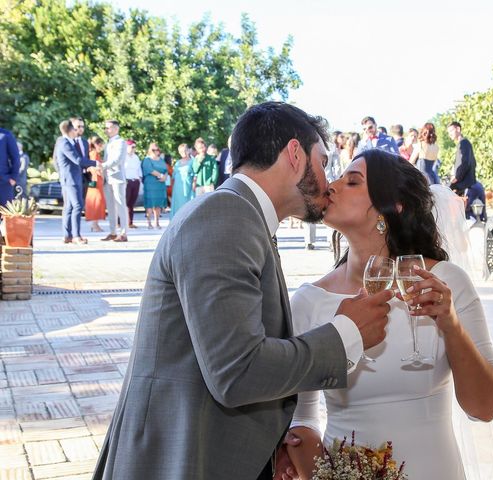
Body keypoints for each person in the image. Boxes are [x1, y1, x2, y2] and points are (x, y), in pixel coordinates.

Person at [91, 101, 392, 480]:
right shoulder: (226, 217)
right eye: (322, 160)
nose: (327, 178)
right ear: (295, 154)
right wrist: (346, 333)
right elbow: (237, 371)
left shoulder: (242, 216)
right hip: (181, 460)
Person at [283, 149, 493, 480]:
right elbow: (301, 420)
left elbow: (485, 408)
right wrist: (333, 473)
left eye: (352, 181)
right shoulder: (310, 301)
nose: (332, 185)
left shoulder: (446, 282)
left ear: (393, 206)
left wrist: (451, 325)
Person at [54, 120, 97, 244]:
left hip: (76, 177)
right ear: (70, 130)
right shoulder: (64, 142)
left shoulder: (69, 142)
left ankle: (67, 235)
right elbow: (77, 160)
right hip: (70, 178)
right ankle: (76, 236)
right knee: (77, 205)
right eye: (75, 128)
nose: (77, 131)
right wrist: (96, 163)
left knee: (69, 207)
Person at [101, 120, 129, 242]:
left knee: (120, 205)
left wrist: (102, 166)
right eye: (105, 128)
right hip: (108, 179)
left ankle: (123, 232)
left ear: (116, 129)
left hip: (117, 178)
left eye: (109, 128)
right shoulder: (108, 143)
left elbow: (117, 160)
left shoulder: (121, 142)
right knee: (111, 207)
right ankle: (112, 232)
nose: (106, 130)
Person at [141, 142, 168, 229]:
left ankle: (157, 222)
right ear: (150, 150)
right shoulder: (147, 160)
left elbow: (166, 169)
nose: (156, 151)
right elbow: (150, 170)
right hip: (150, 184)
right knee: (150, 203)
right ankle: (149, 223)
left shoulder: (161, 160)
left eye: (157, 149)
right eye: (153, 149)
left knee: (158, 203)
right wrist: (160, 175)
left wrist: (165, 177)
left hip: (160, 185)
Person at [447, 121, 476, 195]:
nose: (450, 134)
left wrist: (457, 178)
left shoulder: (464, 143)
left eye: (451, 130)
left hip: (463, 184)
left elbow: (465, 162)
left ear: (458, 129)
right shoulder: (463, 143)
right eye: (448, 132)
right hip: (464, 183)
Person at [84, 136, 107, 232]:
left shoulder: (94, 153)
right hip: (96, 180)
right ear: (97, 144)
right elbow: (94, 166)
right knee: (96, 203)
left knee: (97, 202)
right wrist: (102, 172)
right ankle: (95, 224)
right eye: (101, 145)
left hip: (96, 181)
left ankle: (95, 224)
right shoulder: (94, 153)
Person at [170, 143, 195, 219]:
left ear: (188, 150)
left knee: (187, 205)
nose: (183, 153)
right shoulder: (177, 163)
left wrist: (194, 185)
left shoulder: (192, 161)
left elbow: (195, 175)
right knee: (177, 205)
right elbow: (173, 176)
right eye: (181, 151)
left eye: (185, 150)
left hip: (187, 186)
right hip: (177, 188)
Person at [124, 139, 142, 228]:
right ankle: (122, 222)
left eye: (135, 147)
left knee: (131, 203)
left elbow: (138, 169)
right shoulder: (123, 157)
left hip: (135, 181)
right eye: (132, 147)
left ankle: (130, 222)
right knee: (125, 202)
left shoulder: (136, 157)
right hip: (127, 181)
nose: (134, 149)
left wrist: (139, 179)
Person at [0, 127, 20, 208]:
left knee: (6, 216)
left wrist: (13, 177)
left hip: (3, 182)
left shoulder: (6, 135)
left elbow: (15, 157)